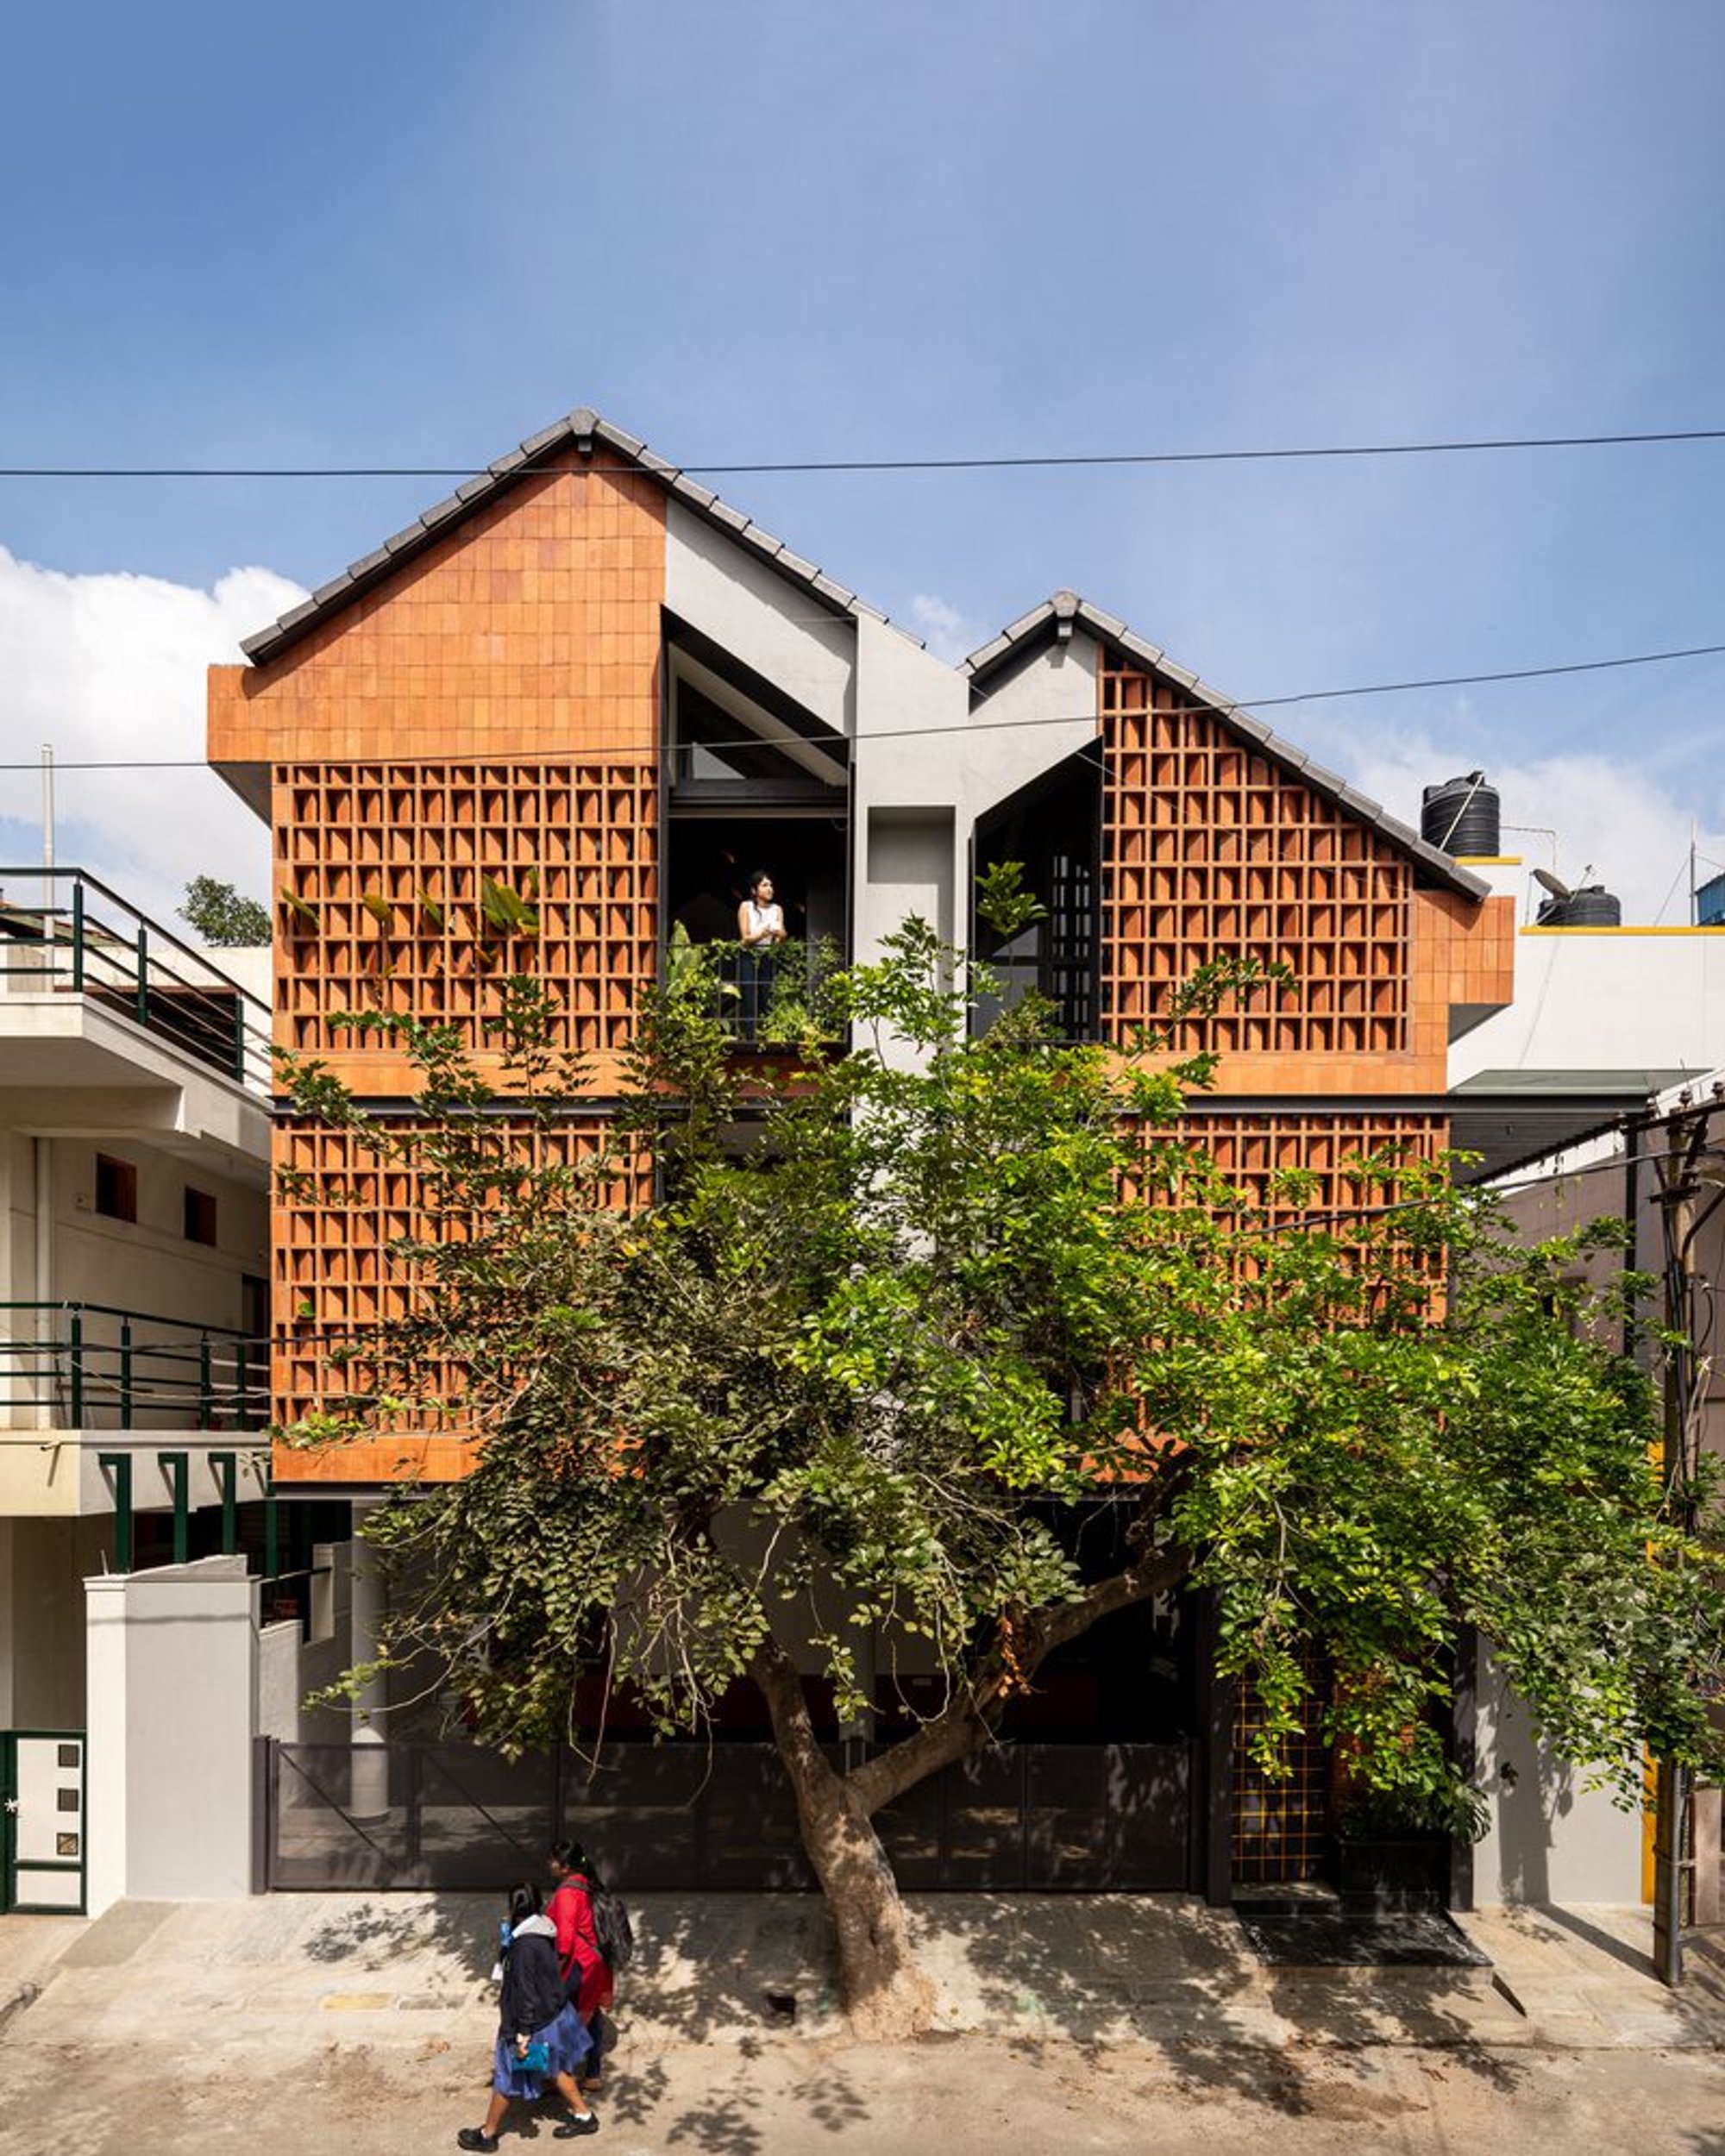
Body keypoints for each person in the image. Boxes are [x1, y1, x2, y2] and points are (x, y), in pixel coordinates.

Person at [456, 1882, 597, 2151]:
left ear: (513, 1908)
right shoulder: (543, 1930)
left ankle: (487, 2135)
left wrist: (522, 2035)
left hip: (533, 2026)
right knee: (555, 2067)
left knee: (509, 2076)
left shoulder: (523, 1948)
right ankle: (585, 2116)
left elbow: (526, 1994)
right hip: (552, 2016)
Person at [546, 1838, 616, 2092]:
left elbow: (564, 1940)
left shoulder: (566, 1893)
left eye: (553, 1860)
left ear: (565, 1867)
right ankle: (593, 2074)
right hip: (596, 1964)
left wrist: (554, 1972)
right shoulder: (588, 1885)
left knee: (565, 2019)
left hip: (578, 1964)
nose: (549, 1863)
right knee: (592, 2014)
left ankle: (562, 2077)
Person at [736, 869, 786, 1043]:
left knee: (768, 995)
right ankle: (749, 1037)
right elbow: (746, 939)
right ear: (754, 890)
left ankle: (769, 1035)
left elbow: (781, 936)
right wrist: (764, 933)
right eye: (765, 885)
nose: (770, 888)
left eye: (771, 885)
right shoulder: (746, 907)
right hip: (749, 955)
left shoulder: (777, 909)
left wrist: (780, 936)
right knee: (749, 995)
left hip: (768, 956)